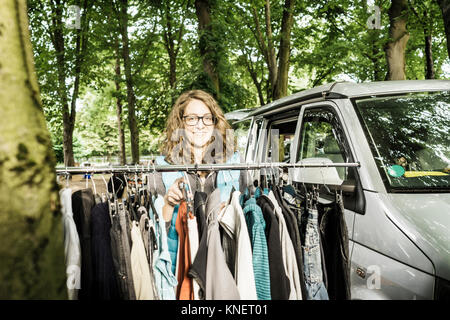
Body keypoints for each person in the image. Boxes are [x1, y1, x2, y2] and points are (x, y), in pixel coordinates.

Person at [151, 89, 247, 222]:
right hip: (182, 242)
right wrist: (168, 203)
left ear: (215, 123)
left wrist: (232, 211)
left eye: (207, 118)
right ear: (180, 122)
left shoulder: (235, 163)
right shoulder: (162, 167)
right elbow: (156, 228)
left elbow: (249, 214)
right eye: (192, 118)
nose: (200, 125)